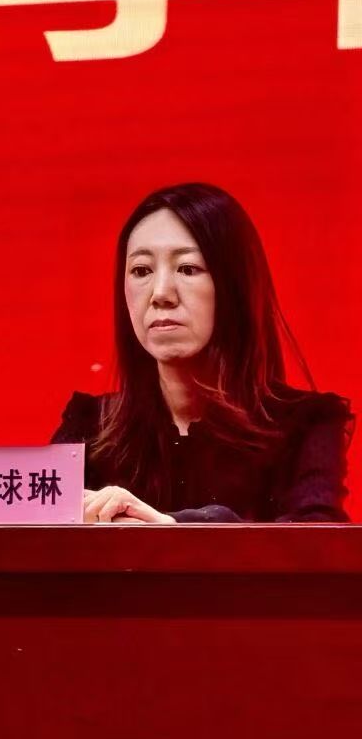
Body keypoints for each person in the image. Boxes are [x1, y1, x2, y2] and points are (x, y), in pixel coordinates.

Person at [52, 183, 352, 523]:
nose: (160, 294)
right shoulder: (90, 428)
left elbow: (319, 542)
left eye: (187, 268)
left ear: (234, 285)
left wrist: (169, 529)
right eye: (141, 271)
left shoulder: (306, 426)